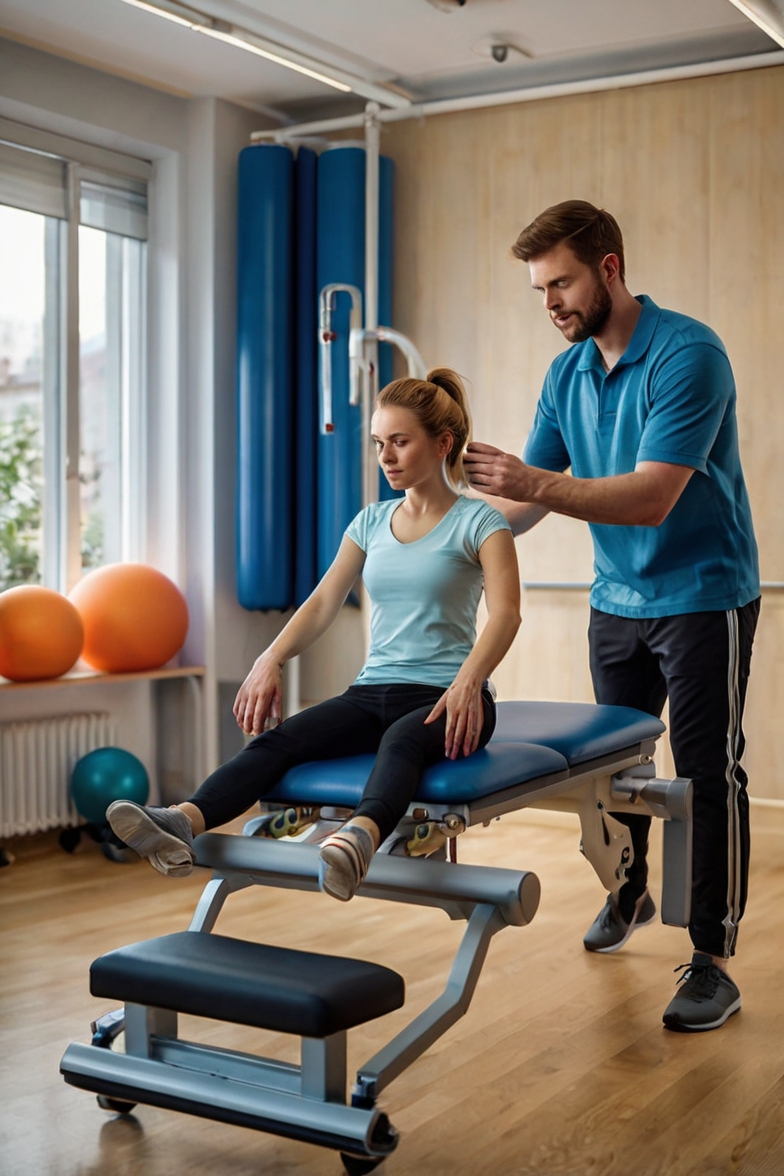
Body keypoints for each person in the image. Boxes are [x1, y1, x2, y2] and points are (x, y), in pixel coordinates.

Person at [463, 200, 760, 1033]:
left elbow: (651, 496)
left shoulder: (689, 355)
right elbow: (521, 505)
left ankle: (712, 958)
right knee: (616, 769)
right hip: (616, 601)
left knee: (705, 775)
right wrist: (450, 521)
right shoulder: (568, 373)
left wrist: (532, 486)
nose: (551, 301)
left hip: (704, 595)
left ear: (610, 269)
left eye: (561, 281)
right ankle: (628, 892)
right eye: (539, 288)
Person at [108, 368, 520, 902]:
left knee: (401, 742)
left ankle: (358, 841)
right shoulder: (371, 522)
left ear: (443, 444)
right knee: (282, 738)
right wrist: (269, 658)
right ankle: (183, 821)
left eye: (399, 441)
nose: (386, 457)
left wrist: (470, 681)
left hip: (451, 696)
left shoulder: (481, 522)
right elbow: (324, 602)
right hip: (374, 689)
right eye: (378, 443)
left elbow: (506, 614)